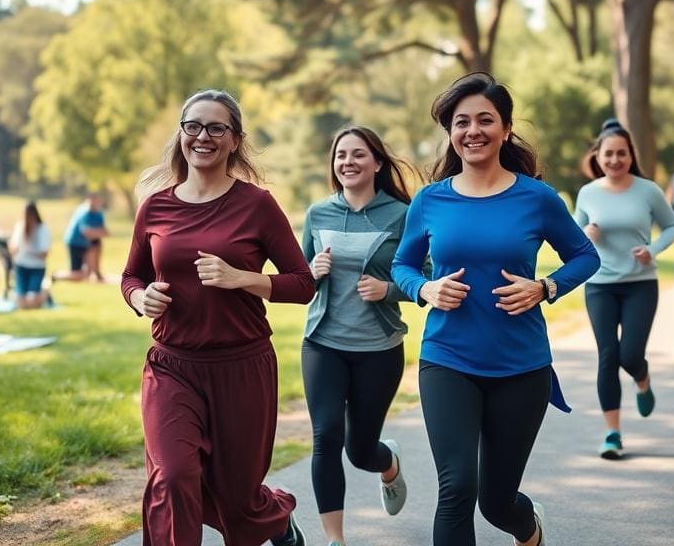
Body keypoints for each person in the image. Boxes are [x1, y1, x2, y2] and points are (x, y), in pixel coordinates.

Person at [391, 73, 600, 546]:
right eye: (461, 122)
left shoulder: (537, 197)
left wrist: (545, 286)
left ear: (506, 129)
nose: (473, 131)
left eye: (486, 120)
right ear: (450, 132)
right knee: (457, 487)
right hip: (447, 358)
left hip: (520, 364)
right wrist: (425, 290)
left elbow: (587, 256)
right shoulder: (430, 199)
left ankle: (528, 529)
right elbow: (401, 265)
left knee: (497, 501)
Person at [121, 89, 315, 546]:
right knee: (172, 476)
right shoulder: (155, 206)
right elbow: (132, 275)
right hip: (173, 366)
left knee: (237, 498)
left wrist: (243, 278)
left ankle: (275, 518)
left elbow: (303, 283)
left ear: (234, 140)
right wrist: (138, 297)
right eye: (193, 126)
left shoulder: (257, 205)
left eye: (215, 128)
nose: (202, 136)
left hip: (242, 368)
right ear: (181, 135)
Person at [301, 126, 422, 545]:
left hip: (379, 348)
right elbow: (298, 280)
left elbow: (425, 280)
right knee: (326, 434)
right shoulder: (319, 213)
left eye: (357, 154)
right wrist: (311, 273)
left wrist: (387, 290)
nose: (347, 162)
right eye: (340, 155)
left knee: (360, 450)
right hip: (323, 343)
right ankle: (336, 539)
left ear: (377, 163)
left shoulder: (402, 215)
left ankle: (387, 463)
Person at [575, 120, 674, 460]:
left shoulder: (647, 190)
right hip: (600, 285)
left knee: (630, 356)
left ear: (630, 155)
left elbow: (673, 225)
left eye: (622, 153)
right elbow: (572, 236)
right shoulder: (588, 193)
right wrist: (585, 235)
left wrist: (653, 249)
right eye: (609, 154)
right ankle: (612, 433)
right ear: (598, 157)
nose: (615, 160)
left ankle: (643, 377)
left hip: (640, 284)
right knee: (608, 356)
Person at [53, 193, 109, 283]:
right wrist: (97, 232)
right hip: (75, 243)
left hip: (87, 243)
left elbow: (105, 232)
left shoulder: (98, 213)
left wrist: (94, 232)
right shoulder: (84, 212)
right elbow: (86, 232)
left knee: (97, 243)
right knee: (78, 275)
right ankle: (57, 275)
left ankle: (96, 270)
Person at [8, 201, 53, 309]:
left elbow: (44, 254)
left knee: (31, 301)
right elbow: (13, 248)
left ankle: (45, 293)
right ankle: (28, 294)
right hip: (21, 266)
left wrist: (29, 252)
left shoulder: (43, 229)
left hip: (37, 267)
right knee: (22, 304)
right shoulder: (20, 226)